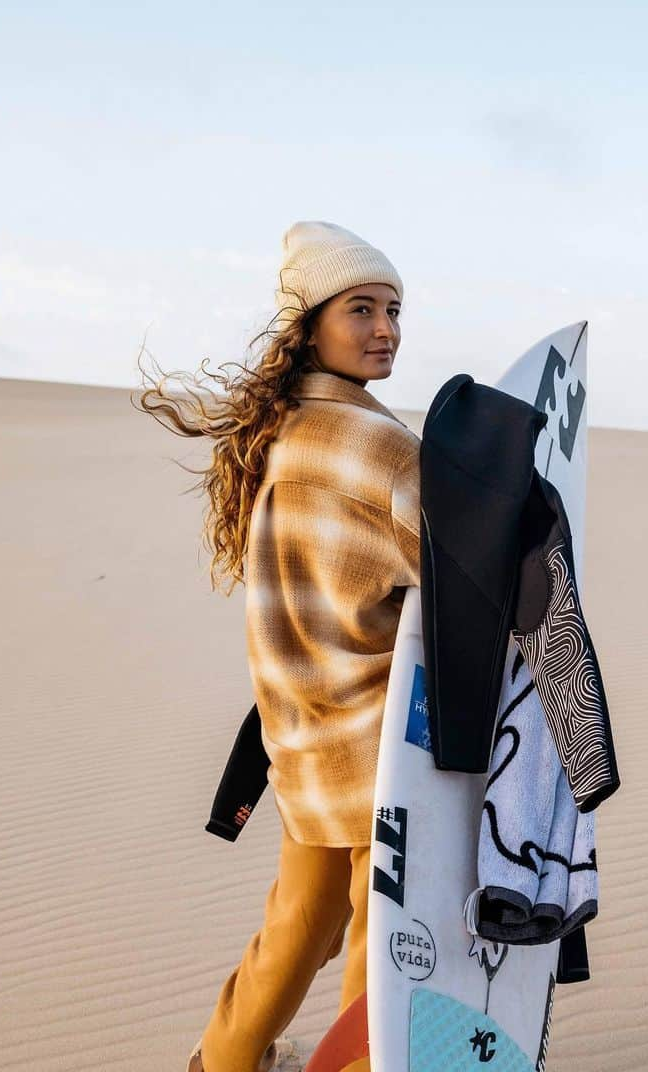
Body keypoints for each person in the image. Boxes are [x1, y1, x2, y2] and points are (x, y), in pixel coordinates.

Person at [136, 221, 420, 1072]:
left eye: (395, 310)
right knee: (383, 948)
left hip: (297, 733)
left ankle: (222, 1060)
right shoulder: (383, 449)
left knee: (298, 928)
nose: (385, 330)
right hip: (381, 746)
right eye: (361, 309)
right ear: (311, 324)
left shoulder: (278, 431)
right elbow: (464, 580)